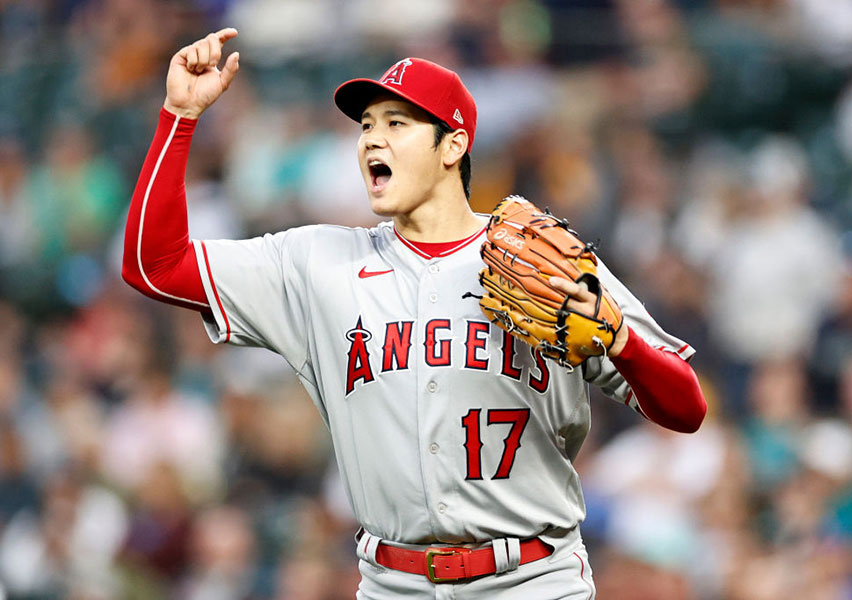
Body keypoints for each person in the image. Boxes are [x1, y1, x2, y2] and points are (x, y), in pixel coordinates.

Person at [122, 28, 707, 599]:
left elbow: (686, 409)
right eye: (367, 126)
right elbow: (153, 265)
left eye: (397, 124)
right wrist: (179, 116)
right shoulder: (317, 263)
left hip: (533, 580)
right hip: (392, 582)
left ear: (453, 145)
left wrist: (621, 341)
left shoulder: (548, 261)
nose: (372, 140)